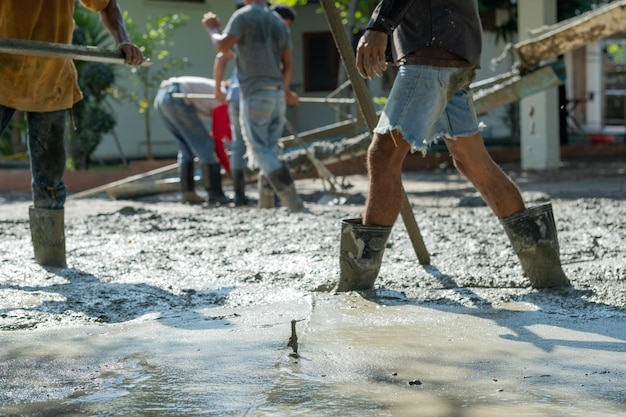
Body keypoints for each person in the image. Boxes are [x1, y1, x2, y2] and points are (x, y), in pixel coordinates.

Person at [337, 0, 570, 291]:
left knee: (384, 154)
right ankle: (547, 273)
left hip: (430, 50)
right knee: (471, 161)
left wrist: (379, 26)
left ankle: (357, 282)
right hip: (454, 47)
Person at [0, 0, 144, 268]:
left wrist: (123, 40)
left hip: (51, 79)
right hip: (3, 72)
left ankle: (50, 258)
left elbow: (106, 3)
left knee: (50, 180)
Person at [202, 0, 304, 211]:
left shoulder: (244, 16)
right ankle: (266, 202)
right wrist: (284, 90)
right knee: (271, 147)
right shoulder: (277, 21)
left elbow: (222, 45)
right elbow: (288, 62)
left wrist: (212, 28)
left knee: (258, 149)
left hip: (255, 92)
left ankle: (293, 201)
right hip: (276, 93)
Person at [153, 76, 231, 205]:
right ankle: (215, 194)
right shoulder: (223, 96)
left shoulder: (214, 89)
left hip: (162, 97)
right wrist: (229, 169)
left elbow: (222, 136)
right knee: (205, 145)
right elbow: (217, 139)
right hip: (177, 96)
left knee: (186, 149)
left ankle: (187, 193)